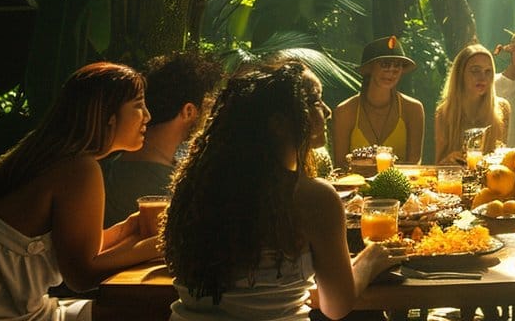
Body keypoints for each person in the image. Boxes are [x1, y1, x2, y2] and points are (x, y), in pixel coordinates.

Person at [0, 62, 163, 320]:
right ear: (108, 115)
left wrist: (129, 229)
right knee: (149, 309)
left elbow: (80, 252)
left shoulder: (53, 158)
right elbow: (82, 275)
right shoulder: (78, 168)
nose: (147, 116)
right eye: (138, 105)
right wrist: (161, 246)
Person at [166, 60, 399, 320]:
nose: (326, 111)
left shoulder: (195, 190)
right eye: (314, 101)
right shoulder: (311, 197)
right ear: (278, 123)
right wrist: (371, 259)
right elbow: (336, 306)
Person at [103, 54, 224, 225]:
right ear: (189, 111)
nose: (210, 117)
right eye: (209, 107)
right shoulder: (178, 190)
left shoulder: (106, 169)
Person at [331, 35, 425, 167]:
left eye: (397, 65)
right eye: (385, 64)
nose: (391, 71)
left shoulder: (413, 109)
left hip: (401, 180)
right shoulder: (345, 111)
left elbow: (414, 163)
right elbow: (340, 165)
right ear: (369, 68)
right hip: (355, 180)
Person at [434, 44, 511, 164]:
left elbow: (502, 158)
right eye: (475, 71)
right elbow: (438, 165)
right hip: (457, 174)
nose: (483, 77)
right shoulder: (445, 112)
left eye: (488, 71)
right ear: (460, 73)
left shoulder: (502, 108)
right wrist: (449, 159)